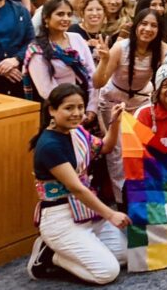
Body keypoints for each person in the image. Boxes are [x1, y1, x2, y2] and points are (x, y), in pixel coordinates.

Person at [25, 84, 127, 284]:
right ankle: (49, 257)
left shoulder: (77, 132)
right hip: (60, 216)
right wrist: (111, 214)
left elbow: (106, 146)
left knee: (124, 255)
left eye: (80, 107)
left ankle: (73, 249)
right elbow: (77, 188)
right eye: (69, 108)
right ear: (52, 110)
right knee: (107, 272)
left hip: (86, 211)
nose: (77, 113)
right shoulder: (49, 145)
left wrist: (115, 122)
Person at [93, 8, 167, 197]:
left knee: (146, 147)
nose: (148, 29)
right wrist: (103, 61)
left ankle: (146, 192)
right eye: (144, 24)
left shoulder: (162, 48)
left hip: (141, 101)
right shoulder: (121, 47)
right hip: (114, 102)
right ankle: (123, 198)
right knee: (119, 151)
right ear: (136, 26)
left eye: (153, 25)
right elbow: (98, 82)